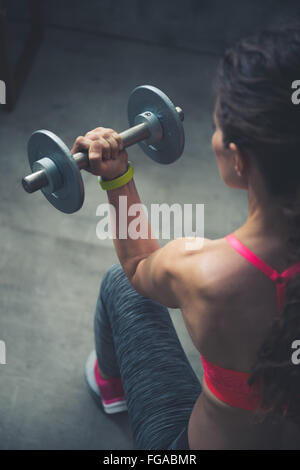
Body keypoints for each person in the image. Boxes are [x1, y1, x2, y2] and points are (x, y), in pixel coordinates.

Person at [72, 23, 300, 450]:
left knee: (121, 285)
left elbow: (138, 268)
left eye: (218, 127)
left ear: (238, 159)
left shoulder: (204, 273)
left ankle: (112, 385)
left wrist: (117, 176)